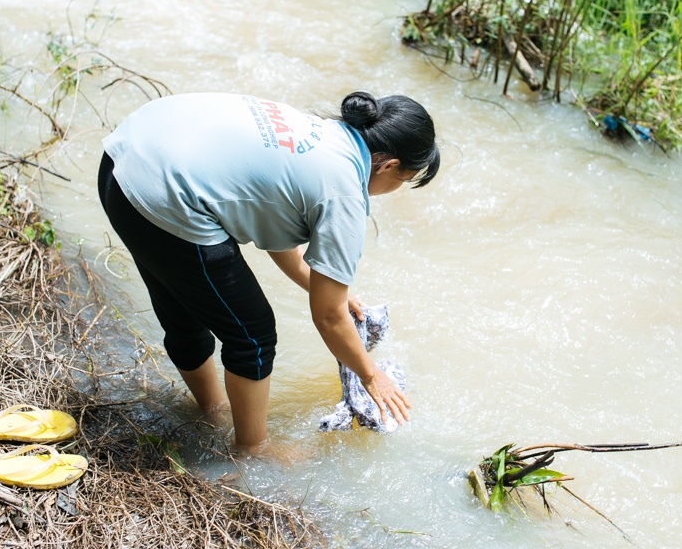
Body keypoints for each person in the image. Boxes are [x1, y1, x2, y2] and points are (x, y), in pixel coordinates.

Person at [97, 90, 439, 456]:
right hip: (162, 198)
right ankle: (253, 448)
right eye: (403, 180)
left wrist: (323, 287)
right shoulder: (346, 196)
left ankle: (213, 411)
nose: (395, 190)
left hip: (123, 165)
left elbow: (274, 225)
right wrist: (372, 376)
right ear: (388, 166)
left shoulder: (324, 133)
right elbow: (327, 315)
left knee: (184, 304)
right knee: (253, 335)